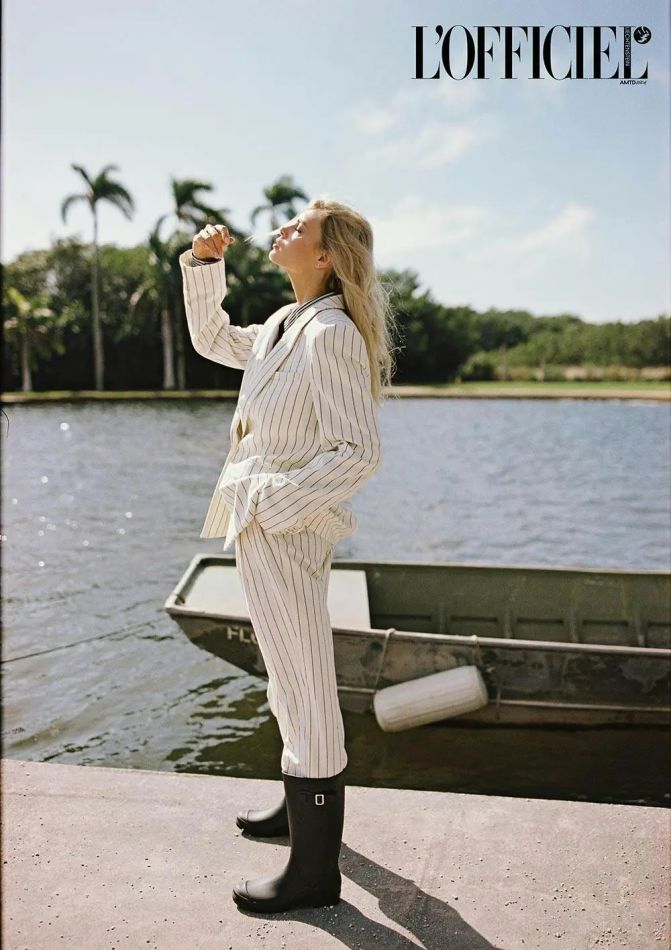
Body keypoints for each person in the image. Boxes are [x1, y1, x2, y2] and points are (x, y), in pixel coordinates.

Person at [179, 196, 395, 914]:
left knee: (305, 683)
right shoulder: (284, 322)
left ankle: (313, 875)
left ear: (326, 256)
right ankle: (293, 805)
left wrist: (275, 506)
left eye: (299, 227)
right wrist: (203, 266)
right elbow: (213, 339)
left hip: (283, 525)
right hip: (260, 521)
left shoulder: (330, 333)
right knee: (284, 672)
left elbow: (357, 451)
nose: (282, 229)